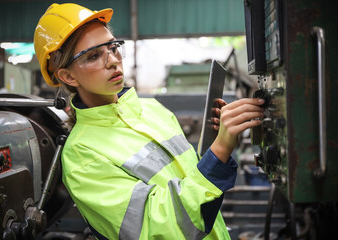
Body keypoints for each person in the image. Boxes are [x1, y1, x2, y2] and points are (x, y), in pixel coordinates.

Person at [34, 3, 264, 239]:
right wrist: (220, 151)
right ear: (68, 76)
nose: (113, 60)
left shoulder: (152, 109)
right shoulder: (82, 155)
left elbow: (188, 183)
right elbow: (160, 228)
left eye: (113, 47)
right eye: (93, 56)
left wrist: (213, 142)